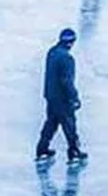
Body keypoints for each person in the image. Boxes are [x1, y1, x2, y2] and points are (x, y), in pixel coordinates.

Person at [35, 28, 87, 163]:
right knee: (69, 125)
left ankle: (42, 149)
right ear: (71, 42)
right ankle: (74, 151)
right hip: (63, 98)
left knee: (51, 123)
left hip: (51, 96)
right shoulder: (67, 58)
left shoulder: (52, 52)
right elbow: (66, 80)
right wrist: (74, 97)